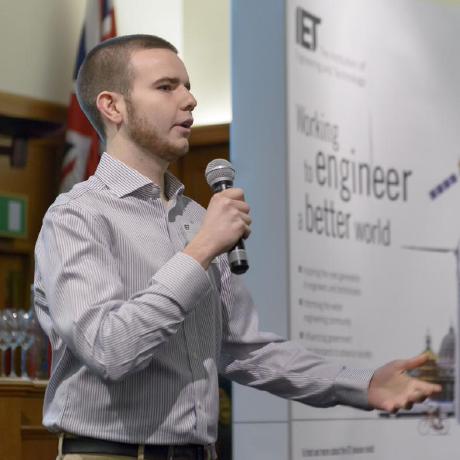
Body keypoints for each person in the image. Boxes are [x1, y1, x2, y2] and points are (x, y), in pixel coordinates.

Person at [34, 34, 440, 460]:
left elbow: (246, 350)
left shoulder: (196, 218)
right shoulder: (77, 216)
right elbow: (109, 349)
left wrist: (362, 384)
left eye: (188, 86)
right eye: (167, 87)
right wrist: (201, 250)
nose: (190, 100)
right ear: (112, 106)